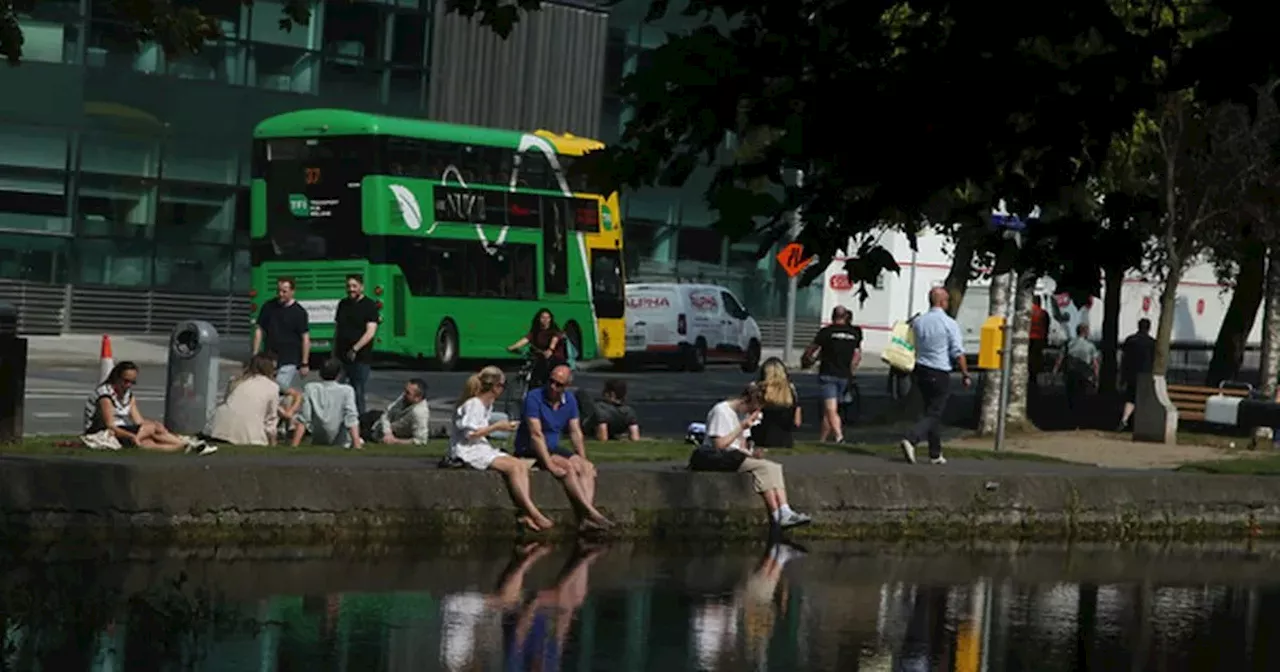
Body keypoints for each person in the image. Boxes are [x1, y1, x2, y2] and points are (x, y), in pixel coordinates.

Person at [690, 383, 812, 529]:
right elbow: (719, 445)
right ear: (744, 401)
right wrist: (741, 427)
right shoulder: (721, 411)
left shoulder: (744, 413)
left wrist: (752, 453)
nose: (752, 412)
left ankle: (783, 511)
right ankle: (778, 513)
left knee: (772, 467)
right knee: (766, 468)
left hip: (734, 455)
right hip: (717, 457)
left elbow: (741, 445)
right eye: (751, 409)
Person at [449, 366, 555, 532]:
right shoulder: (474, 404)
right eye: (503, 386)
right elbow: (470, 434)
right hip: (468, 450)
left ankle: (527, 514)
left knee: (520, 465)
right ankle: (533, 512)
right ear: (496, 387)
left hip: (480, 447)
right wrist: (497, 426)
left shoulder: (486, 404)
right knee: (514, 467)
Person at [514, 364, 613, 531]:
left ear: (566, 386)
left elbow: (575, 431)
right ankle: (591, 513)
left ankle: (586, 515)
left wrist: (582, 456)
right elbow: (536, 434)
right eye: (551, 382)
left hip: (554, 446)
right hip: (531, 448)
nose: (553, 387)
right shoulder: (534, 397)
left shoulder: (570, 401)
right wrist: (549, 464)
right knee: (566, 466)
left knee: (586, 467)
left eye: (558, 384)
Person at [899, 287, 971, 466]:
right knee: (935, 412)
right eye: (946, 300)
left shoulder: (919, 322)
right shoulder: (948, 323)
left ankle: (935, 453)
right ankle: (912, 438)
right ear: (942, 302)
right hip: (939, 370)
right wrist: (965, 373)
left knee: (930, 411)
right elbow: (957, 351)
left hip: (921, 369)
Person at [84, 361, 215, 454]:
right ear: (116, 378)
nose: (128, 385)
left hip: (123, 431)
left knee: (151, 443)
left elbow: (138, 421)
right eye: (125, 381)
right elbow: (110, 425)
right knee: (152, 430)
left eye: (132, 382)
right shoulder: (105, 395)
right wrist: (131, 436)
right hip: (104, 432)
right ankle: (189, 444)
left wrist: (157, 426)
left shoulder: (128, 396)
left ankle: (186, 446)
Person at [801, 305, 863, 443]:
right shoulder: (855, 333)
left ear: (832, 316)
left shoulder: (826, 332)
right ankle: (822, 440)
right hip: (844, 376)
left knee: (830, 409)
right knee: (829, 411)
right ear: (846, 316)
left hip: (828, 374)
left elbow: (812, 349)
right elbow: (857, 356)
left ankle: (839, 436)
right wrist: (852, 371)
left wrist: (807, 360)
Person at [205, 354, 283, 446]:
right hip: (248, 434)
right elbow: (271, 420)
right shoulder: (272, 387)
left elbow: (228, 403)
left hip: (216, 427)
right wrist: (273, 442)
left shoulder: (236, 381)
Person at [253, 277, 311, 389]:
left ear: (292, 292)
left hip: (289, 359)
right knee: (266, 389)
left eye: (284, 291)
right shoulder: (268, 307)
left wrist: (305, 362)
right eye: (278, 290)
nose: (281, 294)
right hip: (270, 358)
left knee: (278, 388)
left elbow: (305, 338)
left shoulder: (299, 312)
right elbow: (259, 329)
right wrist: (255, 354)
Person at [291, 358, 362, 449]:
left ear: (320, 373)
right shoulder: (347, 390)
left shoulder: (310, 388)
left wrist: (294, 445)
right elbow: (351, 418)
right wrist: (357, 445)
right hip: (342, 441)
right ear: (339, 375)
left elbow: (304, 418)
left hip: (318, 439)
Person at [334, 273, 379, 416]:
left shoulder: (369, 305)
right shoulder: (342, 304)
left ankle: (360, 422)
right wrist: (333, 353)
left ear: (362, 287)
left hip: (360, 358)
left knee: (357, 390)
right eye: (348, 286)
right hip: (341, 356)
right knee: (335, 388)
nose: (351, 289)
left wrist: (355, 349)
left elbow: (370, 332)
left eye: (354, 286)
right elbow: (337, 329)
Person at [507, 308, 566, 388]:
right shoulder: (536, 330)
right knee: (534, 378)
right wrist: (513, 347)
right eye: (543, 317)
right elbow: (526, 339)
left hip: (555, 359)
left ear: (550, 319)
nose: (545, 320)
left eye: (547, 318)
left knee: (547, 378)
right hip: (542, 357)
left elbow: (554, 341)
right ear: (538, 319)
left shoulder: (554, 331)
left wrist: (550, 350)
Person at [1117, 318, 1157, 431]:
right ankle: (1142, 423)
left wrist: (1122, 376)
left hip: (1131, 374)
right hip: (1146, 375)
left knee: (1130, 398)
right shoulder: (1152, 343)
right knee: (1144, 399)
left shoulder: (1130, 340)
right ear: (1149, 328)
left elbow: (1124, 359)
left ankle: (1124, 419)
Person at [752, 357, 801, 449]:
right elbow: (797, 422)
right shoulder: (791, 391)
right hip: (785, 441)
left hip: (760, 440)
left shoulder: (757, 389)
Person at [1055, 322, 1099, 421]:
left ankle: (1070, 413)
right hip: (1084, 373)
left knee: (1070, 393)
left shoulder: (1069, 343)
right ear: (1086, 332)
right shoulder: (1090, 346)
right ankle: (1080, 415)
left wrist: (1056, 370)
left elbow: (1060, 357)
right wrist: (1096, 376)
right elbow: (1095, 363)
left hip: (1071, 371)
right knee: (1082, 393)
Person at [372, 378, 431, 445]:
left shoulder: (420, 412)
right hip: (381, 424)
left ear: (418, 397)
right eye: (405, 390)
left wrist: (395, 441)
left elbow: (421, 440)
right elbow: (387, 414)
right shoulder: (404, 398)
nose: (404, 394)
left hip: (395, 431)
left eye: (408, 393)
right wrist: (388, 433)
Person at [1029, 295, 1049, 392]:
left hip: (1028, 338)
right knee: (1036, 358)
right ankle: (1034, 376)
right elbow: (1046, 327)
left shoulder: (1027, 313)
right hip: (1039, 338)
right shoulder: (1043, 313)